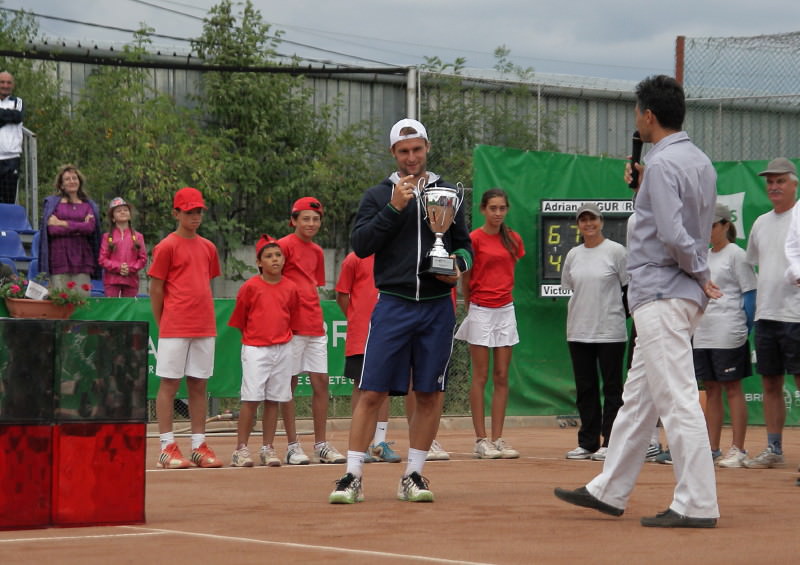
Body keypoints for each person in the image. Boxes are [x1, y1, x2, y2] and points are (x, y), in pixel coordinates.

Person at [554, 75, 721, 528]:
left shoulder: (664, 164)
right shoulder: (698, 162)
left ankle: (698, 503)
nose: (636, 120)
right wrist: (643, 187)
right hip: (671, 292)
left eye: (636, 113)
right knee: (638, 400)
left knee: (678, 399)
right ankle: (609, 489)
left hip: (663, 291)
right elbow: (680, 218)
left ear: (648, 116)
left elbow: (672, 233)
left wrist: (700, 272)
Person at [329, 118, 472, 504]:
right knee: (372, 391)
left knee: (429, 392)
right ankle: (352, 476)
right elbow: (361, 244)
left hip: (436, 309)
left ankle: (414, 474)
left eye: (418, 149)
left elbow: (463, 245)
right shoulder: (379, 195)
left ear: (427, 148)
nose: (412, 157)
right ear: (394, 153)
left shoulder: (448, 192)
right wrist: (394, 207)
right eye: (404, 151)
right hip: (393, 303)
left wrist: (457, 266)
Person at [148, 186, 223, 469]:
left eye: (198, 211)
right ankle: (167, 447)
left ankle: (198, 446)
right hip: (175, 325)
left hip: (204, 325)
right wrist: (163, 322)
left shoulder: (208, 247)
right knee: (169, 384)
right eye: (189, 211)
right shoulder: (166, 246)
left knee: (199, 385)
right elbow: (156, 290)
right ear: (176, 213)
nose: (195, 216)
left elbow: (206, 284)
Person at [456, 187, 525, 459]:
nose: (498, 213)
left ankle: (498, 439)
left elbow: (509, 273)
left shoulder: (513, 240)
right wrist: (473, 306)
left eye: (502, 208)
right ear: (483, 209)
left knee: (502, 376)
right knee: (481, 376)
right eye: (493, 208)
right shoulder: (473, 239)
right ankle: (480, 439)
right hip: (481, 310)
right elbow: (466, 279)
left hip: (506, 310)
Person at [743, 157, 800, 472]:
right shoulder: (761, 224)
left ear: (794, 184)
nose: (774, 186)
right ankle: (774, 449)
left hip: (797, 316)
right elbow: (755, 266)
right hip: (767, 316)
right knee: (770, 383)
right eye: (770, 182)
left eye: (780, 181)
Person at [278, 197, 345, 465]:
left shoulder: (317, 251)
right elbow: (274, 282)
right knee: (289, 385)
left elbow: (312, 286)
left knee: (321, 383)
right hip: (290, 327)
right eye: (305, 218)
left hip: (315, 325)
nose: (311, 223)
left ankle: (321, 444)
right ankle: (292, 446)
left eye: (316, 219)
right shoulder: (282, 246)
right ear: (293, 220)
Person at [560, 202, 627, 462]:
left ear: (601, 221)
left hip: (610, 332)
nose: (588, 224)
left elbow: (628, 289)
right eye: (583, 220)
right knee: (585, 388)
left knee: (612, 388)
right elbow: (572, 287)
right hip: (578, 331)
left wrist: (617, 315)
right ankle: (588, 442)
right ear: (578, 225)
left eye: (593, 219)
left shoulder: (616, 251)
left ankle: (610, 442)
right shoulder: (573, 255)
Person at [692, 203, 757, 468]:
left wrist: (745, 329)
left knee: (732, 388)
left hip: (729, 331)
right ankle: (712, 448)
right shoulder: (703, 257)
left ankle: (738, 449)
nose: (707, 230)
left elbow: (750, 295)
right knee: (711, 389)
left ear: (725, 226)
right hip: (703, 332)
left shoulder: (737, 255)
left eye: (712, 224)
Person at [228, 235, 300, 468]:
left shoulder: (290, 287)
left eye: (278, 255)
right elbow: (240, 319)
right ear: (259, 262)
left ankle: (268, 448)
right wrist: (255, 342)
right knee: (251, 399)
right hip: (256, 349)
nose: (274, 260)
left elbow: (293, 318)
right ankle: (241, 449)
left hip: (283, 348)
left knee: (274, 400)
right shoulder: (250, 287)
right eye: (268, 256)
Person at [335, 251, 401, 463]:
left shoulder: (395, 255)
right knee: (360, 386)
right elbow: (342, 295)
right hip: (361, 335)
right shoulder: (354, 259)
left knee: (384, 388)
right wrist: (357, 319)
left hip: (388, 333)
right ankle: (359, 446)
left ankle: (379, 443)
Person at [39, 164, 101, 294]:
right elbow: (52, 230)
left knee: (81, 302)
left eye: (75, 178)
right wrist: (79, 227)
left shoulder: (88, 205)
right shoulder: (52, 204)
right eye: (67, 179)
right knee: (60, 301)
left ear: (79, 181)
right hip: (59, 259)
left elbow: (89, 228)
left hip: (83, 259)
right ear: (61, 185)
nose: (72, 181)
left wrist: (62, 223)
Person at [98, 197, 147, 297]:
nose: (122, 212)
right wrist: (118, 267)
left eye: (125, 210)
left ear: (130, 215)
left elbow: (142, 259)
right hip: (111, 281)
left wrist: (130, 268)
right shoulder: (107, 237)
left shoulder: (138, 236)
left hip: (131, 281)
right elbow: (102, 259)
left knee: (129, 309)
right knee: (112, 309)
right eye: (118, 211)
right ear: (113, 218)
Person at [0, 71, 23, 204]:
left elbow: (18, 117)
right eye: (2, 82)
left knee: (8, 200)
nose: (5, 85)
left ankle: (5, 226)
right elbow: (12, 117)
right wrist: (8, 117)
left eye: (8, 82)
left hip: (11, 158)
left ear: (13, 85)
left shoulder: (17, 101)